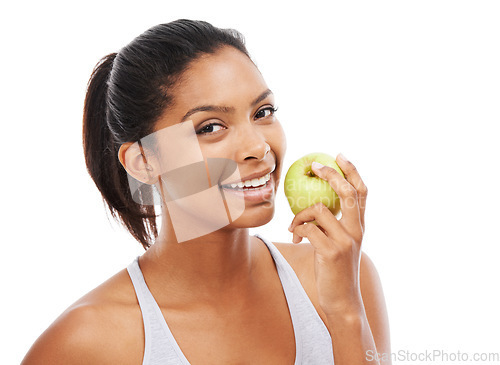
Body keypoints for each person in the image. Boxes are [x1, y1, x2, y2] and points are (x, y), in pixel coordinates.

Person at [21, 19, 391, 364]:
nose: (258, 148)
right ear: (143, 161)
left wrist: (345, 311)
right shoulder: (88, 342)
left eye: (263, 112)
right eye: (210, 127)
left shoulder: (344, 278)